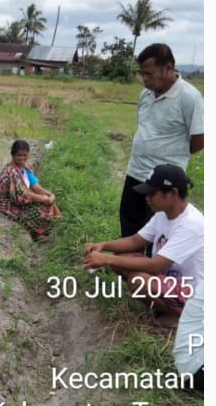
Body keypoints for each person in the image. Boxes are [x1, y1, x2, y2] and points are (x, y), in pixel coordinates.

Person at [86, 164, 204, 319]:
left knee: (138, 280)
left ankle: (178, 317)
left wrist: (106, 259)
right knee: (121, 258)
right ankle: (164, 306)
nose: (147, 198)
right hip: (169, 280)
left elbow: (156, 266)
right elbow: (135, 241)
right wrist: (103, 246)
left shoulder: (191, 224)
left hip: (193, 296)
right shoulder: (163, 214)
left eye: (152, 193)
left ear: (173, 193)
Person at [121, 43, 204, 238]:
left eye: (149, 73)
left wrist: (174, 154)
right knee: (129, 224)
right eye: (142, 73)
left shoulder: (189, 97)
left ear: (168, 68)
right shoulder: (145, 94)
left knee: (157, 234)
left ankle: (152, 259)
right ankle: (126, 259)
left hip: (163, 181)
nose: (144, 79)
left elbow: (199, 140)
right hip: (136, 171)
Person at [0, 139, 59, 241]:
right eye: (19, 155)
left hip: (21, 197)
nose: (22, 158)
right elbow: (22, 195)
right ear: (13, 155)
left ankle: (54, 226)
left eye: (24, 155)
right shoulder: (11, 172)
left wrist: (50, 195)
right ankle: (36, 234)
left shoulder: (24, 168)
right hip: (7, 202)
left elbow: (35, 186)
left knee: (49, 202)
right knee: (36, 209)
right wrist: (43, 199)